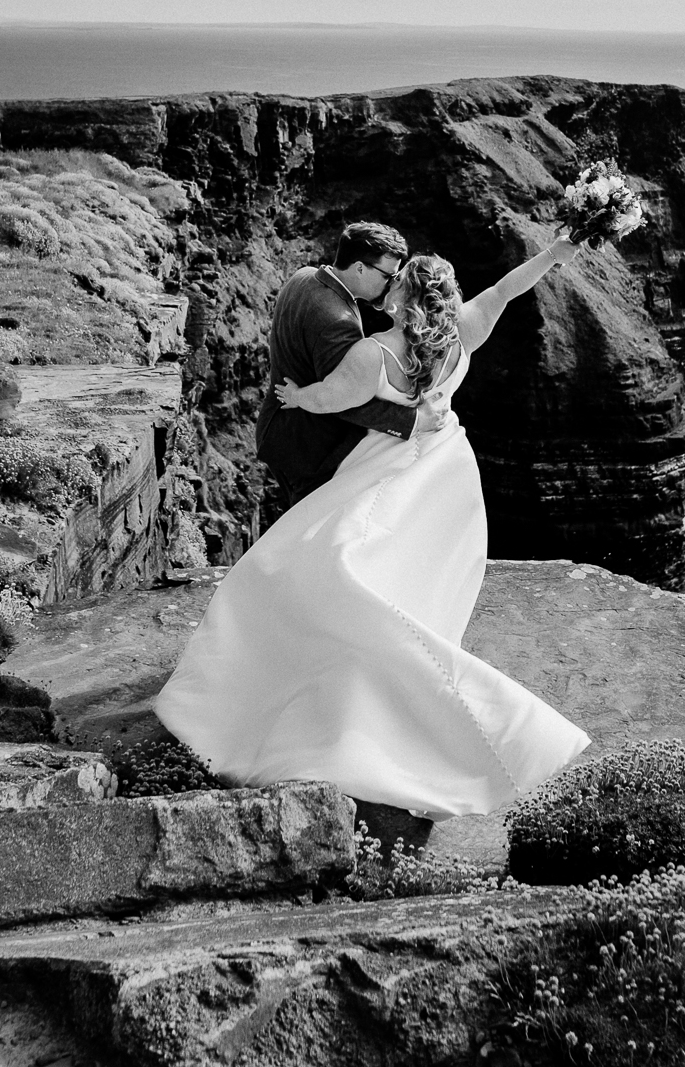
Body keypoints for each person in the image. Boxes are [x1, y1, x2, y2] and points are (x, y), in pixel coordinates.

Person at [153, 231, 591, 818]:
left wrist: (295, 394)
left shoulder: (373, 353)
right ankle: (386, 678)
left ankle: (371, 681)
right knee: (405, 574)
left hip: (386, 472)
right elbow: (508, 289)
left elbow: (331, 400)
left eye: (395, 281)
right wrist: (555, 255)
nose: (386, 285)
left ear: (402, 299)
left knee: (316, 564)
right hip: (447, 474)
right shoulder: (466, 327)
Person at [254, 223, 430, 511]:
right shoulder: (337, 321)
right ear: (360, 268)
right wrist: (412, 421)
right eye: (389, 276)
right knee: (311, 530)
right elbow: (345, 400)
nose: (392, 284)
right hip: (310, 447)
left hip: (279, 429)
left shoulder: (305, 276)